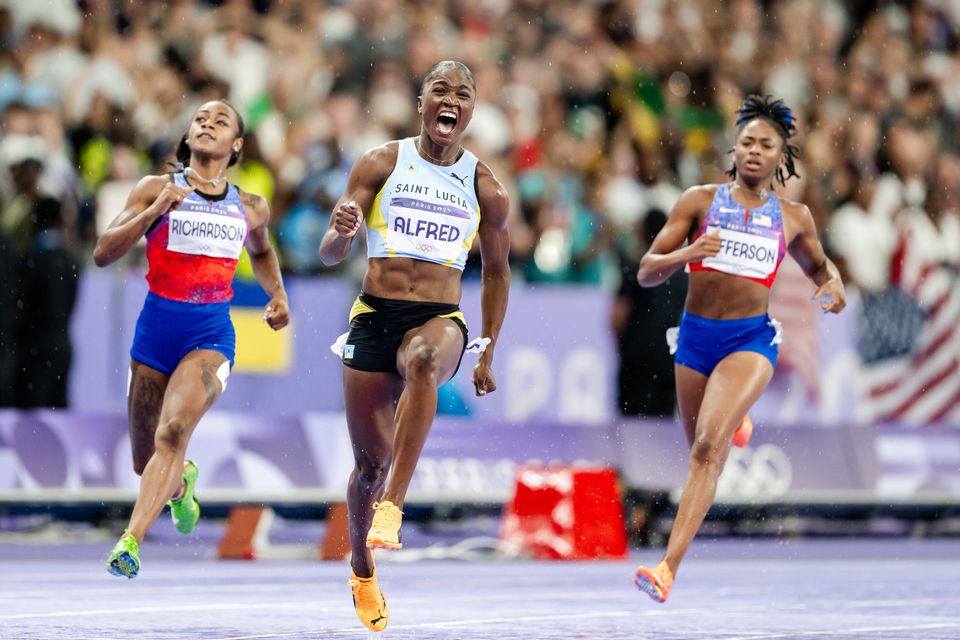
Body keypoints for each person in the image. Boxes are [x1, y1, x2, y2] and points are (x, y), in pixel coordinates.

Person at [319, 60, 510, 632]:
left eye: (463, 94)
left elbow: (498, 273)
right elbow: (331, 252)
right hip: (375, 315)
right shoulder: (382, 162)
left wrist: (489, 348)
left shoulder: (487, 188)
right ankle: (362, 568)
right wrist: (342, 232)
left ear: (470, 112)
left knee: (425, 362)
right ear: (422, 101)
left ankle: (393, 507)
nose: (451, 100)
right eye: (440, 90)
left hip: (439, 317)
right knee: (366, 464)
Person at [632, 95, 846, 603]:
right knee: (699, 448)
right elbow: (645, 272)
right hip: (695, 341)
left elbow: (821, 268)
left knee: (709, 449)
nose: (754, 151)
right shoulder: (699, 202)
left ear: (781, 157)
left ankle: (667, 568)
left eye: (765, 145)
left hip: (750, 341)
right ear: (733, 149)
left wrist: (832, 285)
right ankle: (735, 417)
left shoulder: (793, 217)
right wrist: (689, 251)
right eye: (747, 142)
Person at [93, 100, 289, 578]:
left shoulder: (250, 205)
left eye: (221, 122)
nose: (207, 124)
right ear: (187, 135)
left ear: (236, 145)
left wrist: (278, 295)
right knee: (147, 462)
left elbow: (261, 252)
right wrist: (154, 212)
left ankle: (130, 542)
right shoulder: (155, 188)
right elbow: (103, 252)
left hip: (210, 336)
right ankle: (182, 485)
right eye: (200, 119)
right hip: (154, 337)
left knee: (173, 432)